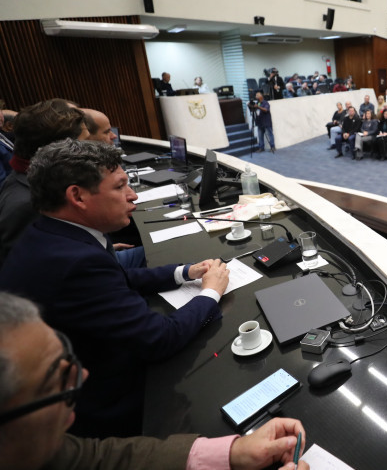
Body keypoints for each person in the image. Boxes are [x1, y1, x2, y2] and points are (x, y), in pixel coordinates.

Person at [0, 139, 231, 438]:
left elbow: (116, 278)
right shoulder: (75, 262)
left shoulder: (53, 234)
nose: (133, 195)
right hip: (105, 409)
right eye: (120, 186)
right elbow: (159, 338)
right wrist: (210, 293)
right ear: (78, 196)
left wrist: (183, 273)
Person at [0, 292, 308, 470]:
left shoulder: (42, 447)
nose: (82, 376)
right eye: (54, 378)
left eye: (67, 357)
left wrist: (232, 452)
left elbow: (98, 459)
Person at [0, 100, 90, 266]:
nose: (90, 150)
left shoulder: (31, 180)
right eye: (83, 145)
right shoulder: (28, 204)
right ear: (58, 152)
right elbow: (30, 277)